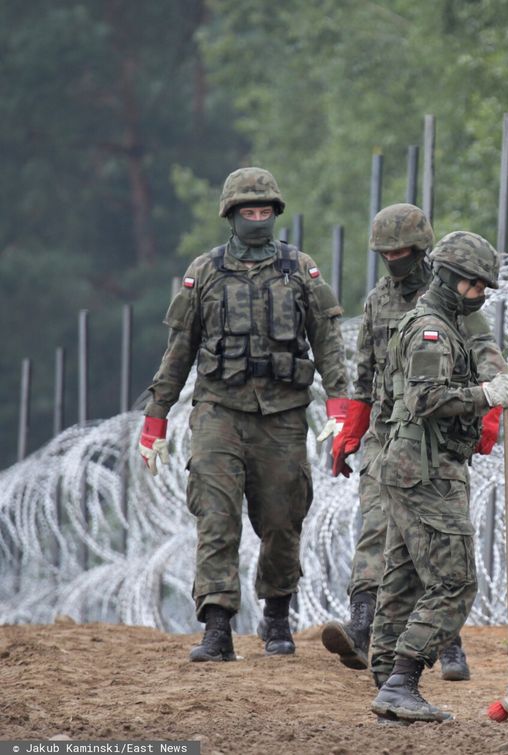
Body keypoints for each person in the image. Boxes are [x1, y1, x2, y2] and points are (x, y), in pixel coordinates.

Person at [138, 167, 350, 662]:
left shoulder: (300, 270)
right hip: (218, 412)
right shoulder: (206, 272)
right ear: (230, 216)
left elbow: (328, 342)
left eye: (263, 211)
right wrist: (156, 419)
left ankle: (277, 615)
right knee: (216, 517)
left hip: (283, 415)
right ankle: (217, 626)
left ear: (275, 214)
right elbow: (178, 351)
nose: (256, 219)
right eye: (247, 212)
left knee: (282, 519)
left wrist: (342, 406)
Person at [320, 204, 504, 682]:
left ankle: (447, 647)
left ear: (423, 251)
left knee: (431, 545)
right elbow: (365, 374)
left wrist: (487, 417)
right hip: (388, 432)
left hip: (436, 434)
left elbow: (489, 361)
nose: (393, 260)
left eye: (401, 252)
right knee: (379, 529)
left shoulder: (454, 295)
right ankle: (363, 628)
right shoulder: (378, 301)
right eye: (386, 254)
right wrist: (351, 432)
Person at [369, 231, 508, 722]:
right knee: (455, 581)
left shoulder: (437, 323)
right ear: (456, 281)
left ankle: (387, 680)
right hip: (427, 469)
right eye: (477, 286)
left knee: (404, 576)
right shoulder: (431, 329)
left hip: (413, 466)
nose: (480, 296)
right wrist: (485, 395)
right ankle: (401, 682)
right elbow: (424, 398)